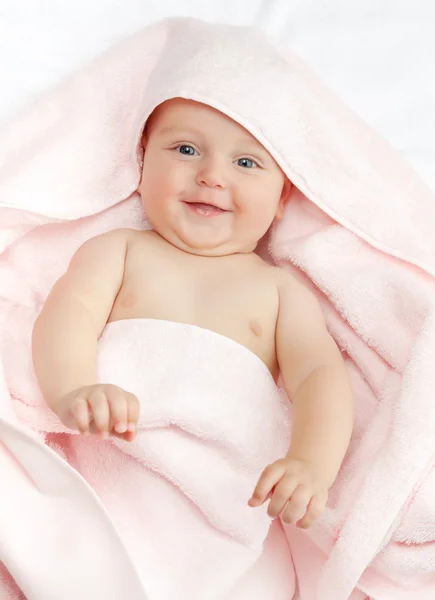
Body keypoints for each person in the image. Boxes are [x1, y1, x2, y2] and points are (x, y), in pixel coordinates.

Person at [32, 97, 354, 530]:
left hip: (222, 501)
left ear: (282, 198)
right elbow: (68, 316)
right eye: (186, 150)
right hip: (103, 475)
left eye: (246, 162)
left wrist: (311, 464)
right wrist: (74, 388)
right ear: (143, 162)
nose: (212, 176)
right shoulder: (120, 250)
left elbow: (320, 376)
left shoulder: (281, 291)